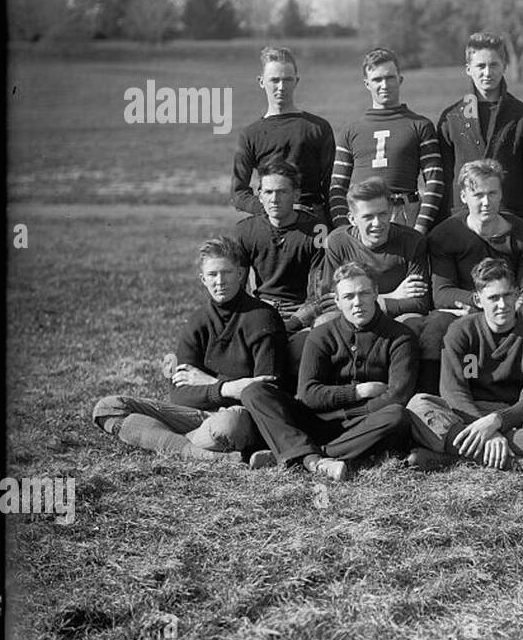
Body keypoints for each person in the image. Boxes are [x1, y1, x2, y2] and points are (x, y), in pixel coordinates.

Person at [92, 236, 284, 463]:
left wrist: (209, 383)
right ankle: (206, 453)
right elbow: (179, 394)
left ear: (241, 274)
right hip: (196, 414)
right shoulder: (198, 320)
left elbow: (265, 391)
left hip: (241, 416)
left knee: (226, 427)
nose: (219, 281)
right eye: (212, 275)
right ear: (203, 279)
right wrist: (227, 388)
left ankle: (162, 438)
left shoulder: (263, 318)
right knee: (108, 408)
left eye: (227, 273)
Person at [239, 263, 417, 481]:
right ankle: (310, 457)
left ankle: (304, 455)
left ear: (376, 294)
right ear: (337, 301)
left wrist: (348, 413)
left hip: (366, 425)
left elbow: (397, 396)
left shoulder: (401, 337)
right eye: (349, 296)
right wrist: (358, 392)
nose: (357, 303)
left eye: (364, 293)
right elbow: (308, 395)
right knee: (255, 392)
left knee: (397, 416)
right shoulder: (321, 335)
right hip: (317, 420)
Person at [407, 258, 523, 471]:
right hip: (467, 414)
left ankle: (448, 458)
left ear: (517, 294)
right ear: (478, 299)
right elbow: (454, 392)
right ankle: (520, 463)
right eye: (493, 298)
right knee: (418, 406)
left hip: (514, 416)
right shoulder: (462, 331)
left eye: (507, 295)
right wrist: (487, 432)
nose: (502, 305)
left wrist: (496, 422)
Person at [417, 159, 523, 393]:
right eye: (478, 195)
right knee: (436, 325)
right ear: (464, 196)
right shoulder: (444, 235)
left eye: (492, 193)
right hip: (465, 312)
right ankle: (433, 398)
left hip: (509, 310)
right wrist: (480, 303)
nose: (486, 202)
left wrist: (514, 303)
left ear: (501, 194)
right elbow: (442, 293)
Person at [328, 47, 446, 234]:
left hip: (404, 214)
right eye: (377, 79)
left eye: (390, 77)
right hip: (362, 216)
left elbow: (435, 181)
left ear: (400, 79)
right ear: (367, 83)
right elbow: (337, 187)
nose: (384, 85)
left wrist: (420, 227)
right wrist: (344, 229)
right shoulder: (350, 131)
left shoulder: (420, 125)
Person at [436, 32, 523, 227]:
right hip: (462, 222)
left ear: (504, 66)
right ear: (468, 69)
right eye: (480, 66)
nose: (487, 73)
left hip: (511, 220)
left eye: (494, 65)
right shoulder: (451, 118)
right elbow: (443, 178)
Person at [233, 158, 330, 376]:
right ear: (259, 194)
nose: (274, 199)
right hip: (260, 309)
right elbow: (236, 290)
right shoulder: (244, 231)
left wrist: (293, 323)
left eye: (282, 192)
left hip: (300, 312)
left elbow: (318, 293)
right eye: (267, 192)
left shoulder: (316, 231)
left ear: (296, 195)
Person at [231, 45, 335, 225]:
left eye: (287, 80)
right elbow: (238, 193)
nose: (281, 87)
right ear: (261, 81)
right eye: (274, 80)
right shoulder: (250, 134)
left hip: (312, 222)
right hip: (269, 223)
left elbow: (331, 186)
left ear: (297, 81)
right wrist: (268, 208)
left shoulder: (318, 128)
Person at [321, 177, 431, 329]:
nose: (377, 223)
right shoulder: (337, 242)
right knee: (324, 322)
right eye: (368, 217)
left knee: (413, 323)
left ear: (391, 212)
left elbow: (420, 303)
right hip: (353, 316)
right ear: (352, 219)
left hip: (398, 317)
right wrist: (390, 296)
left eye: (383, 214)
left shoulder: (412, 241)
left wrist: (362, 301)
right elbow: (330, 301)